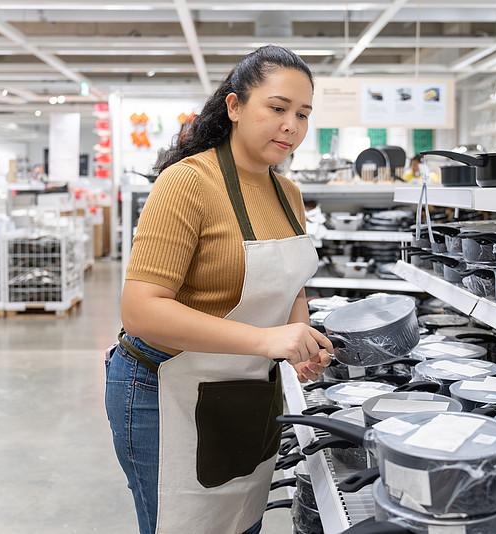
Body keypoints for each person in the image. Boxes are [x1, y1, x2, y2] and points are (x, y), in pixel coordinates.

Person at [105, 45, 333, 534]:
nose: (291, 125)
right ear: (234, 107)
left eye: (302, 114)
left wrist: (300, 335)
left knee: (240, 520)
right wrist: (267, 341)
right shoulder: (186, 183)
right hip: (165, 391)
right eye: (276, 108)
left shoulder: (288, 193)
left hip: (245, 392)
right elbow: (141, 310)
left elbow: (289, 282)